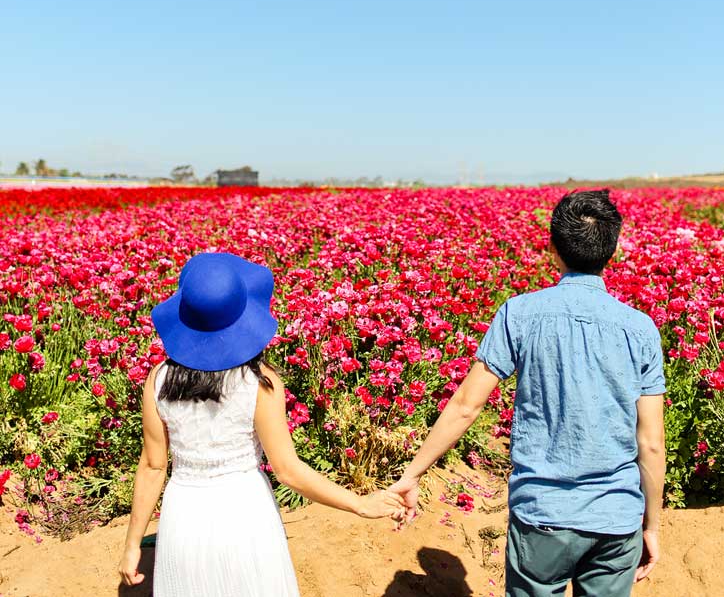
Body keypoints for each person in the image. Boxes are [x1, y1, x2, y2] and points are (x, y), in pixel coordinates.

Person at [390, 189, 666, 597]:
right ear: (614, 249)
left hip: (543, 515)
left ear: (552, 247)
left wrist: (411, 474)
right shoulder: (640, 329)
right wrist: (651, 526)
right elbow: (652, 443)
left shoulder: (519, 314)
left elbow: (467, 405)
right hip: (615, 518)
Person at [118, 252, 404, 595]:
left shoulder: (158, 380)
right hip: (245, 516)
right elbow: (288, 471)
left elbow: (152, 466)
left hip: (185, 520)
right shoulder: (259, 382)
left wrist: (133, 543)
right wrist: (359, 503)